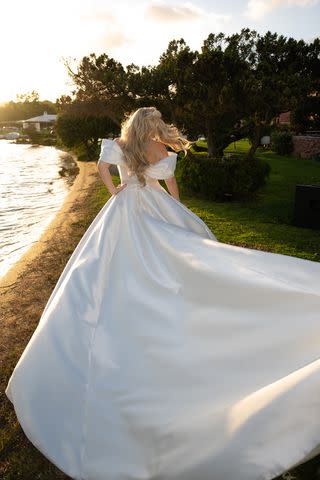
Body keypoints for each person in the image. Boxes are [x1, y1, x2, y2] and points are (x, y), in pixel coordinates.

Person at [5, 106, 320, 480]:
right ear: (151, 126)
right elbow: (172, 190)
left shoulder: (120, 146)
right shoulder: (161, 152)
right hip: (153, 207)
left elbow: (103, 169)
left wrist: (116, 192)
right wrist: (177, 213)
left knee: (104, 266)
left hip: (123, 209)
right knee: (174, 256)